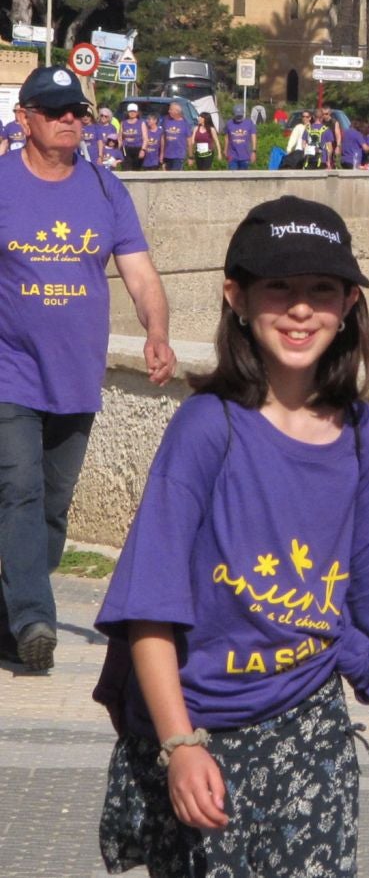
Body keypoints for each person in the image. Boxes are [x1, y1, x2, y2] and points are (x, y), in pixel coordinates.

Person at [95, 196, 369, 877]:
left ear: (350, 303)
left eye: (321, 290)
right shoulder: (206, 428)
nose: (300, 309)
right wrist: (180, 745)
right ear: (236, 297)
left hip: (309, 727)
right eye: (279, 287)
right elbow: (148, 605)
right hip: (198, 731)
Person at [0, 68, 174, 673]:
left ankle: (10, 621)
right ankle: (34, 618)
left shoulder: (104, 188)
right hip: (9, 372)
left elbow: (140, 273)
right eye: (55, 111)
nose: (70, 119)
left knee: (52, 506)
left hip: (76, 376)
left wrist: (157, 331)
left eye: (77, 110)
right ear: (25, 119)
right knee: (18, 490)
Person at [223, 105, 255, 170]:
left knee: (243, 175)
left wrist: (254, 151)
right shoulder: (229, 123)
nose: (239, 117)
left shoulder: (249, 123)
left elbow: (253, 137)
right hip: (232, 155)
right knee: (232, 174)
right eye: (237, 116)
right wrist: (225, 150)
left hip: (245, 155)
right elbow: (226, 137)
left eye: (240, 116)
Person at [161, 103, 190, 172]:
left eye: (171, 109)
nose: (168, 111)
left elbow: (189, 140)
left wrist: (190, 155)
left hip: (178, 155)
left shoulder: (184, 123)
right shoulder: (166, 121)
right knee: (167, 176)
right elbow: (163, 138)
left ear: (177, 111)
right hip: (167, 155)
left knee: (175, 175)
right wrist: (162, 153)